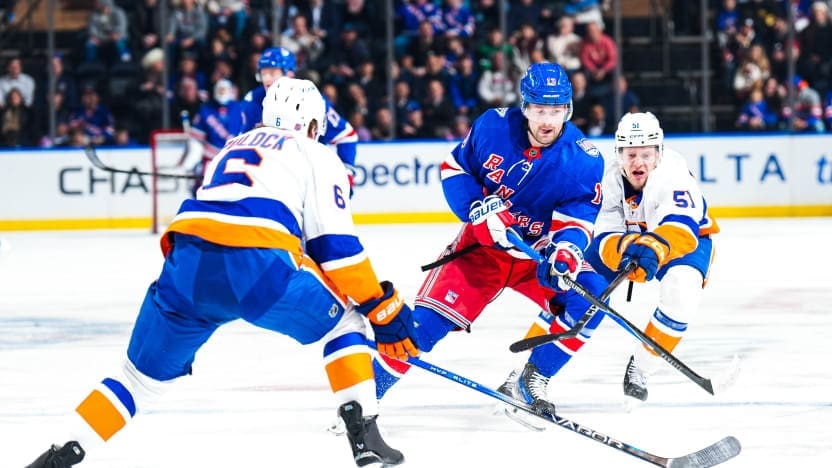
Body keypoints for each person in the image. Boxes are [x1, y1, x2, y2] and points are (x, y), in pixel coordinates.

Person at [26, 77, 419, 468]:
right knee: (346, 322)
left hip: (187, 263)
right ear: (315, 126)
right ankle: (364, 438)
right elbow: (337, 252)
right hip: (254, 265)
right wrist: (380, 305)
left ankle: (59, 454)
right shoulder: (317, 154)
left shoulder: (232, 144)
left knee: (137, 381)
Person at [367, 62, 608, 429]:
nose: (548, 121)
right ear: (525, 107)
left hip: (535, 257)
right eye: (541, 110)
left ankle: (531, 380)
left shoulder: (583, 161)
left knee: (589, 298)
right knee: (423, 329)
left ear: (568, 110)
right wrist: (477, 211)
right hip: (480, 252)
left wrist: (565, 251)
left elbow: (577, 218)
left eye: (556, 111)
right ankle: (362, 398)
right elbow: (454, 169)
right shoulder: (493, 126)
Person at [584, 111, 720, 403]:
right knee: (574, 285)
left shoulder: (674, 172)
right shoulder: (608, 178)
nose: (638, 162)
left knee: (681, 294)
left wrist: (653, 247)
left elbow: (681, 224)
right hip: (632, 242)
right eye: (630, 154)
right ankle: (532, 372)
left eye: (646, 154)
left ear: (658, 152)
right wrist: (624, 250)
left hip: (683, 243)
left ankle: (642, 368)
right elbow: (605, 231)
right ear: (618, 153)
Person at [240, 47, 360, 191]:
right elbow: (243, 144)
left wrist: (346, 176)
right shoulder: (252, 100)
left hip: (309, 177)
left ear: (289, 73)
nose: (266, 79)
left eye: (272, 73)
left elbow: (346, 136)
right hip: (271, 179)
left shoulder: (311, 98)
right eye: (263, 73)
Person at [188, 78, 245, 194]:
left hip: (234, 156)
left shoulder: (240, 108)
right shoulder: (205, 109)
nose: (222, 92)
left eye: (224, 90)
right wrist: (192, 158)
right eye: (220, 90)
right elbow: (196, 138)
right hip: (210, 157)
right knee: (204, 187)